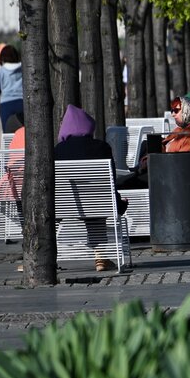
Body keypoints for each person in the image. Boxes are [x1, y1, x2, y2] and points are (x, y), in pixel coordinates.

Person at [54, 104, 126, 272]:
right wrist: (118, 201)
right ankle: (100, 257)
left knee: (81, 203)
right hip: (100, 205)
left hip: (63, 208)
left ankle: (51, 257)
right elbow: (111, 180)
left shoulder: (58, 150)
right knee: (98, 202)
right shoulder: (102, 147)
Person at [0, 45, 24, 131]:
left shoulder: (1, 72)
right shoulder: (23, 69)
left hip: (6, 105)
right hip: (22, 103)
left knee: (8, 133)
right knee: (22, 133)